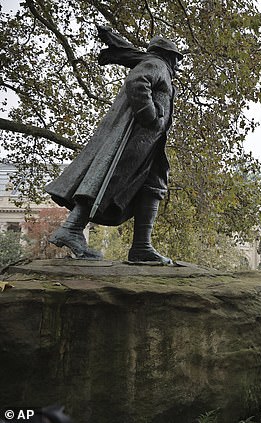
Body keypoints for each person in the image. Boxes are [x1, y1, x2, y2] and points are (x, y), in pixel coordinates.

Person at [45, 27, 183, 264]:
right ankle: (71, 228)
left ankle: (142, 246)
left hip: (150, 145)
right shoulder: (157, 64)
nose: (178, 65)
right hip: (135, 141)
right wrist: (149, 115)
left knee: (153, 187)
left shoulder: (158, 66)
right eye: (177, 59)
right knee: (108, 180)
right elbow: (137, 82)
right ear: (168, 55)